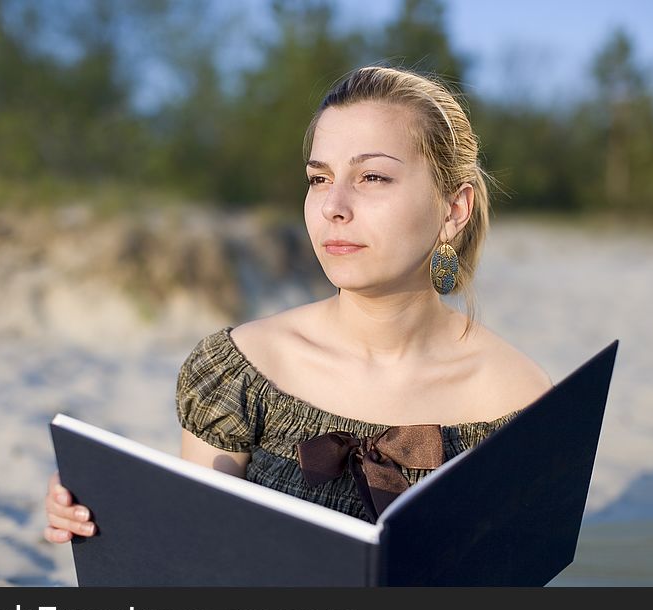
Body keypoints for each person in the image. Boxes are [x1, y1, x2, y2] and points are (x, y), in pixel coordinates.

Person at [44, 64, 553, 542]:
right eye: (319, 178)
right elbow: (194, 552)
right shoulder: (241, 370)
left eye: (371, 177)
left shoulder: (522, 402)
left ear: (453, 208)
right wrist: (102, 517)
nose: (333, 207)